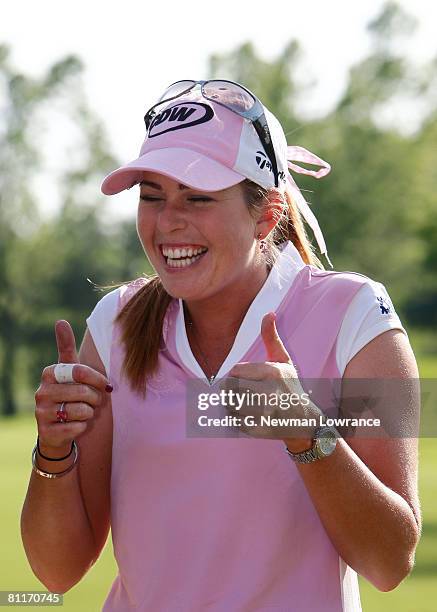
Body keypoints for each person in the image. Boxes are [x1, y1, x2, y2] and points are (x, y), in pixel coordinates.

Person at [21, 79, 421, 611]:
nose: (167, 223)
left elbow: (390, 563)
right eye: (152, 197)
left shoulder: (359, 317)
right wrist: (53, 448)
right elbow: (56, 572)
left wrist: (307, 433)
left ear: (267, 213)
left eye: (198, 198)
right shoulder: (113, 325)